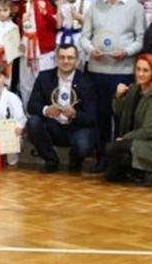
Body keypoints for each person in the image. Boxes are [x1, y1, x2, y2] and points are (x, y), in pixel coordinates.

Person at [80, 0, 145, 171]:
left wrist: (126, 51)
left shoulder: (135, 7)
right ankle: (102, 158)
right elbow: (84, 37)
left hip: (123, 71)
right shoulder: (95, 6)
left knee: (122, 118)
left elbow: (141, 39)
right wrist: (90, 50)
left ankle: (119, 161)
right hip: (97, 71)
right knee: (100, 117)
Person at [26, 44, 98, 173]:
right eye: (62, 57)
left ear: (77, 60)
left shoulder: (87, 81)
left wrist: (75, 114)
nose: (66, 61)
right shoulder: (44, 77)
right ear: (56, 59)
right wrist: (47, 110)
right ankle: (51, 161)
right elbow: (31, 106)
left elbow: (92, 117)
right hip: (52, 126)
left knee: (84, 143)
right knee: (33, 122)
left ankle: (75, 163)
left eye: (70, 58)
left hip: (76, 128)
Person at [105, 53, 152, 186]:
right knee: (111, 176)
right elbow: (118, 111)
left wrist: (125, 138)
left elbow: (150, 131)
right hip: (137, 139)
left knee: (112, 148)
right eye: (138, 69)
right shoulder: (134, 89)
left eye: (145, 70)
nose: (140, 74)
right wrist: (118, 96)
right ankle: (137, 170)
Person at [17, 0, 57, 108]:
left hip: (43, 50)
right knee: (25, 83)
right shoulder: (24, 1)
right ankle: (27, 113)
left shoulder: (45, 0)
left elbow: (56, 24)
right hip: (26, 49)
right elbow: (22, 25)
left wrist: (45, 12)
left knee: (44, 84)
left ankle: (46, 114)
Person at [56, 0, 90, 69]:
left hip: (78, 39)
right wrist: (59, 5)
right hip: (62, 38)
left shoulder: (86, 3)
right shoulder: (61, 3)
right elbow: (58, 25)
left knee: (77, 68)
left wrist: (79, 17)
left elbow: (91, 25)